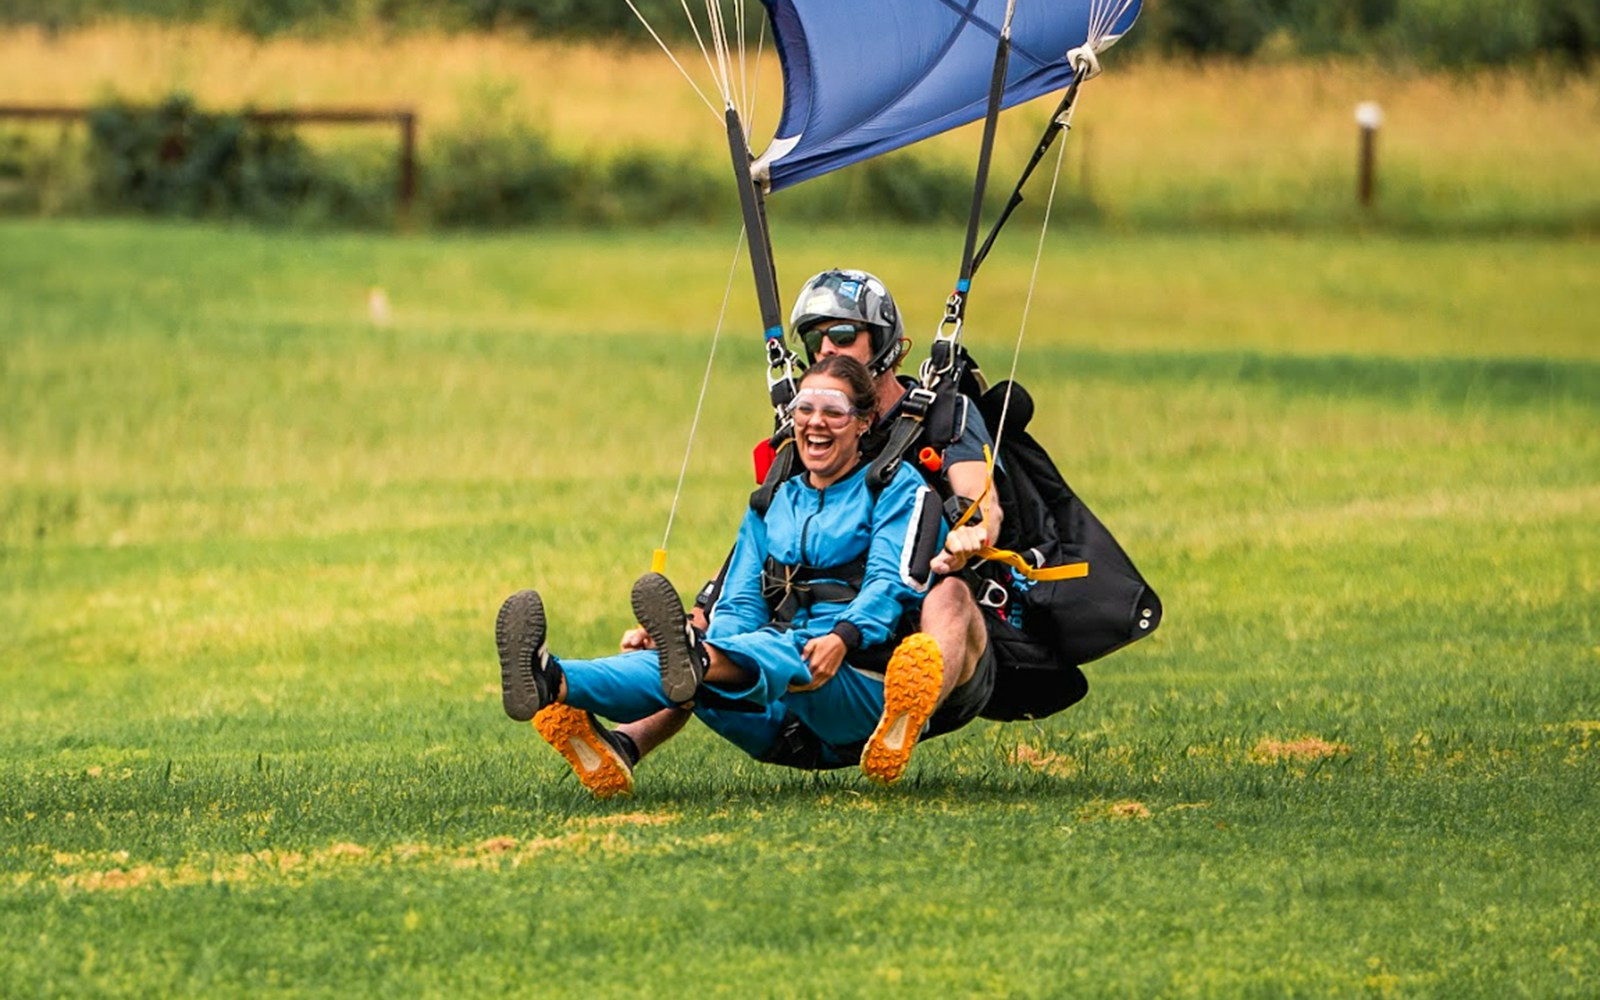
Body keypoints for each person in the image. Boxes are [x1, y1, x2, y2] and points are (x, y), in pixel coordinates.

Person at [494, 356, 951, 797]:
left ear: (864, 422)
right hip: (770, 713)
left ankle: (693, 665)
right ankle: (550, 680)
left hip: (856, 688)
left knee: (736, 655)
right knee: (691, 663)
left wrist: (845, 635)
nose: (816, 422)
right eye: (804, 409)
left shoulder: (898, 489)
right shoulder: (772, 502)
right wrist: (716, 646)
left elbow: (891, 585)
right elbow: (739, 601)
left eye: (833, 411)